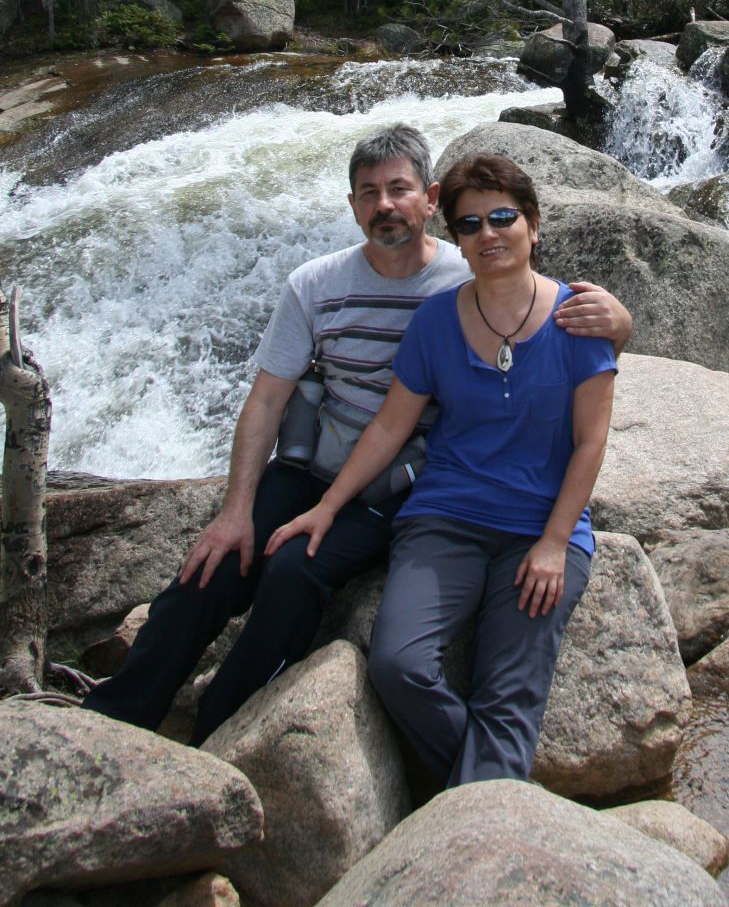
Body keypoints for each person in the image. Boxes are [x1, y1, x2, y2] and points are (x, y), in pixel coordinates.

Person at [82, 125, 631, 745]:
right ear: (352, 206)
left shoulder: (466, 274)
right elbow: (267, 398)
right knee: (216, 561)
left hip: (403, 477)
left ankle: (216, 735)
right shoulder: (314, 284)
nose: (384, 205)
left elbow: (536, 309)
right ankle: (114, 719)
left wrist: (621, 322)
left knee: (293, 571)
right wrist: (235, 510)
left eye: (399, 189)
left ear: (429, 199)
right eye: (369, 193)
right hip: (313, 463)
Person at [266, 154, 615, 786]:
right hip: (444, 519)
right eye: (470, 224)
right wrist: (327, 506)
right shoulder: (435, 321)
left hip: (538, 530)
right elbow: (390, 427)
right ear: (455, 237)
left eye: (503, 217)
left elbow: (591, 443)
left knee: (507, 695)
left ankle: (467, 818)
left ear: (533, 225)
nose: (488, 234)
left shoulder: (579, 321)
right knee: (397, 665)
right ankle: (489, 794)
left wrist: (555, 543)